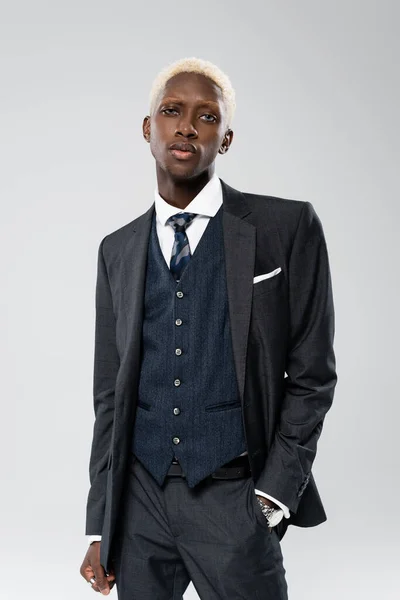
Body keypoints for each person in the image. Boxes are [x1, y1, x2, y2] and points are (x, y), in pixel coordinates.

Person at [79, 56, 337, 599]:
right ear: (149, 129)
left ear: (225, 139)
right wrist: (102, 524)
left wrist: (271, 498)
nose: (187, 126)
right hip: (140, 504)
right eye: (172, 111)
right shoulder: (117, 250)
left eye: (207, 117)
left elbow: (313, 376)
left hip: (234, 498)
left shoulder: (285, 228)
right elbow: (110, 395)